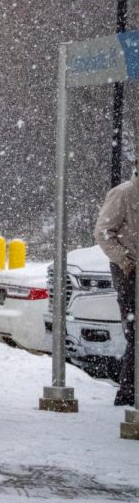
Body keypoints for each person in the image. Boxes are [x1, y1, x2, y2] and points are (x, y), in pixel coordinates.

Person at [94, 170, 139, 407]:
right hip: (130, 272)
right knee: (136, 334)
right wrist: (125, 261)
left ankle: (130, 390)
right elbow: (103, 232)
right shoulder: (123, 194)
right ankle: (129, 392)